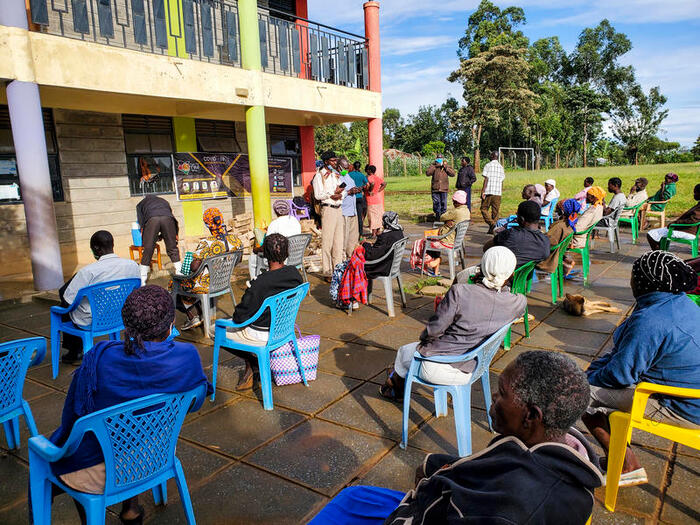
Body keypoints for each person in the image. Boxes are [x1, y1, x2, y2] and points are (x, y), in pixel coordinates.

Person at [322, 351, 602, 525]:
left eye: (502, 393)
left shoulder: (509, 509)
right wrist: (435, 468)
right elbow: (485, 468)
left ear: (531, 416)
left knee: (346, 503)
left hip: (419, 513)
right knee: (355, 494)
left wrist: (421, 494)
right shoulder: (550, 449)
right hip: (435, 498)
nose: (493, 397)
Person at [45, 285, 211, 525]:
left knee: (64, 448)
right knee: (132, 431)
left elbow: (73, 420)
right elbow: (195, 402)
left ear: (126, 324)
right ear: (171, 323)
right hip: (154, 456)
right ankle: (131, 509)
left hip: (99, 471)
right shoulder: (187, 356)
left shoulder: (99, 359)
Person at [582, 251, 700, 486]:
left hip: (683, 406)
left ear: (643, 283)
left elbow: (619, 375)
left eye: (633, 277)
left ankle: (626, 465)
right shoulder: (680, 302)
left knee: (575, 394)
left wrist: (588, 377)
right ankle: (621, 458)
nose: (631, 282)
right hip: (690, 394)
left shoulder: (651, 320)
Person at [381, 246, 526, 400]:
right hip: (475, 367)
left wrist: (424, 340)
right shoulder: (517, 302)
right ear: (511, 273)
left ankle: (394, 384)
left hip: (440, 366)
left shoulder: (460, 292)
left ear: (481, 267)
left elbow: (433, 331)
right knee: (408, 354)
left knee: (404, 352)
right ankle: (393, 380)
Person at [223, 234, 304, 390]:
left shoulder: (261, 282)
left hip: (261, 334)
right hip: (284, 329)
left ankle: (253, 362)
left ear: (265, 254)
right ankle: (253, 364)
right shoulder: (295, 274)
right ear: (286, 253)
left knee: (216, 330)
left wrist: (250, 291)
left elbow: (239, 317)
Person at [58, 231, 140, 365]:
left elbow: (67, 298)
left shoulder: (88, 271)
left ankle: (74, 352)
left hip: (93, 320)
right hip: (120, 316)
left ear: (96, 248)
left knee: (64, 306)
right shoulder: (132, 265)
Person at [176, 208, 242, 330]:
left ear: (207, 224)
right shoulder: (236, 240)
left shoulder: (206, 243)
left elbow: (194, 268)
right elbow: (239, 260)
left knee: (175, 284)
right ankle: (201, 314)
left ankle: (192, 317)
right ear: (221, 220)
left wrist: (193, 261)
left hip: (207, 284)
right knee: (191, 282)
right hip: (223, 282)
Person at [408, 191, 471, 276]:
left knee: (421, 242)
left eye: (453, 201)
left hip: (447, 241)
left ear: (456, 202)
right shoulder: (467, 211)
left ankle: (431, 263)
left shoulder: (456, 212)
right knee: (433, 239)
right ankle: (435, 270)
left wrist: (447, 219)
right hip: (457, 241)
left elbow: (442, 217)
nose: (453, 203)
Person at [484, 201, 550, 268]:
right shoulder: (545, 241)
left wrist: (497, 236)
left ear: (521, 219)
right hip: (526, 276)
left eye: (517, 215)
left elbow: (486, 248)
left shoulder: (510, 234)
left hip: (504, 274)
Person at [313, 150, 346, 279]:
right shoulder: (319, 176)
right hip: (328, 209)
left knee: (339, 242)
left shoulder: (334, 174)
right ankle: (327, 271)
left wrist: (340, 194)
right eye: (332, 161)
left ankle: (337, 270)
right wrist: (331, 195)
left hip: (338, 208)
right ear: (326, 162)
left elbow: (342, 191)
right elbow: (318, 195)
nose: (335, 162)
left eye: (335, 160)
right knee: (327, 242)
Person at [248, 199, 302, 279]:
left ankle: (256, 283)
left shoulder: (274, 224)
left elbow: (268, 247)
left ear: (275, 211)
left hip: (281, 260)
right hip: (296, 257)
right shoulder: (295, 221)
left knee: (252, 259)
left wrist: (256, 250)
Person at [136, 194, 181, 284]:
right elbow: (171, 216)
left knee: (148, 250)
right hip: (168, 219)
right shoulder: (164, 201)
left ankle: (143, 280)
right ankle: (180, 274)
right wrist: (175, 234)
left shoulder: (140, 204)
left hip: (152, 219)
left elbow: (141, 223)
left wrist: (146, 238)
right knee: (172, 248)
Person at [647, 183, 700, 250]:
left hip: (687, 231)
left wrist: (675, 223)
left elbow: (693, 220)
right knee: (657, 235)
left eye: (695, 193)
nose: (694, 195)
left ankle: (659, 254)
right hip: (687, 229)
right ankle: (661, 252)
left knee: (651, 234)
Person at [363, 211, 405, 293]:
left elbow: (372, 255)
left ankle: (350, 299)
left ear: (386, 221)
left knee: (353, 266)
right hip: (392, 266)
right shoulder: (399, 232)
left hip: (381, 268)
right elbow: (382, 249)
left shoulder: (385, 236)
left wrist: (364, 244)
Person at [537, 199, 580, 274]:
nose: (555, 212)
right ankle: (566, 262)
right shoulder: (570, 224)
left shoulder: (559, 226)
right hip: (556, 254)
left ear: (562, 212)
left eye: (557, 210)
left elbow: (548, 243)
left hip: (547, 260)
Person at [338, 161, 363, 259]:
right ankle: (342, 258)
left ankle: (351, 256)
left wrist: (357, 189)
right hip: (344, 212)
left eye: (348, 167)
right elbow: (335, 194)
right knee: (344, 237)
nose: (347, 170)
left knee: (352, 238)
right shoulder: (337, 178)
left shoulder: (348, 177)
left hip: (353, 211)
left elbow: (352, 187)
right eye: (345, 167)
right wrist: (349, 192)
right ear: (339, 167)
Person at [426, 153, 455, 219]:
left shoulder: (446, 166)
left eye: (441, 158)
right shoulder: (433, 166)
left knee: (443, 203)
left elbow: (453, 174)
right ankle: (437, 216)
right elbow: (428, 173)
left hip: (444, 188)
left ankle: (443, 217)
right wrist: (435, 166)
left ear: (443, 159)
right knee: (436, 203)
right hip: (435, 188)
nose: (439, 159)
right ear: (436, 159)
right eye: (438, 158)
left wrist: (445, 167)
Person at [348, 160, 370, 235]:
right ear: (360, 167)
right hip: (360, 197)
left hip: (351, 197)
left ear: (353, 166)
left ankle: (352, 232)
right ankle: (360, 233)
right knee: (360, 216)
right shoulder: (362, 175)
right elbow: (367, 184)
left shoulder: (349, 174)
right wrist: (362, 188)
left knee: (351, 215)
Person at [365, 164, 387, 237]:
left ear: (370, 171)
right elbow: (384, 183)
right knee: (378, 216)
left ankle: (373, 233)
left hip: (371, 200)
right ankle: (378, 231)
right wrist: (378, 190)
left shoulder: (369, 177)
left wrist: (370, 190)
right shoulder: (377, 177)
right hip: (377, 199)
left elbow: (372, 183)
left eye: (368, 170)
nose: (367, 171)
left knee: (372, 217)